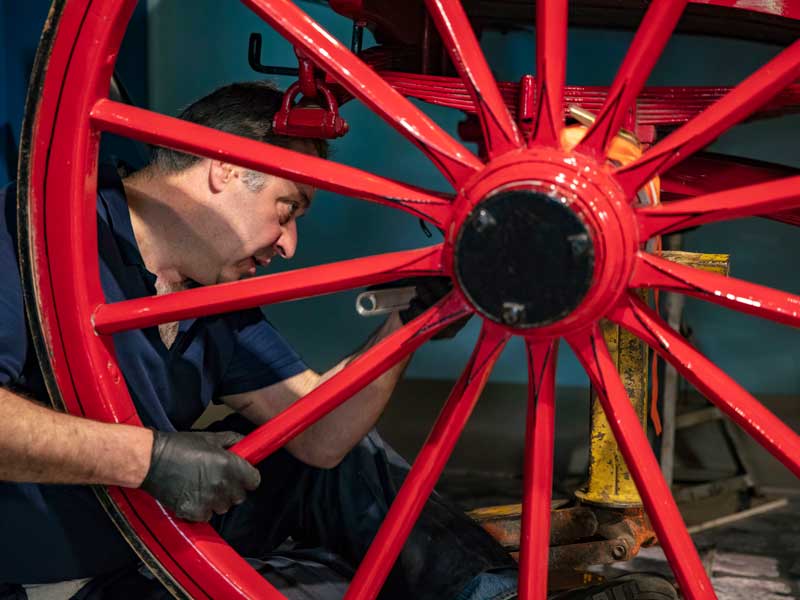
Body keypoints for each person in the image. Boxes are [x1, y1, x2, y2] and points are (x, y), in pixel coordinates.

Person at [0, 81, 677, 600]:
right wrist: (147, 458)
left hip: (151, 541)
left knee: (347, 473)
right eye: (288, 207)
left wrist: (410, 323)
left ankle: (493, 593)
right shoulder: (25, 238)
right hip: (56, 579)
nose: (288, 245)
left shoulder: (209, 299)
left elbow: (321, 439)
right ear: (225, 168)